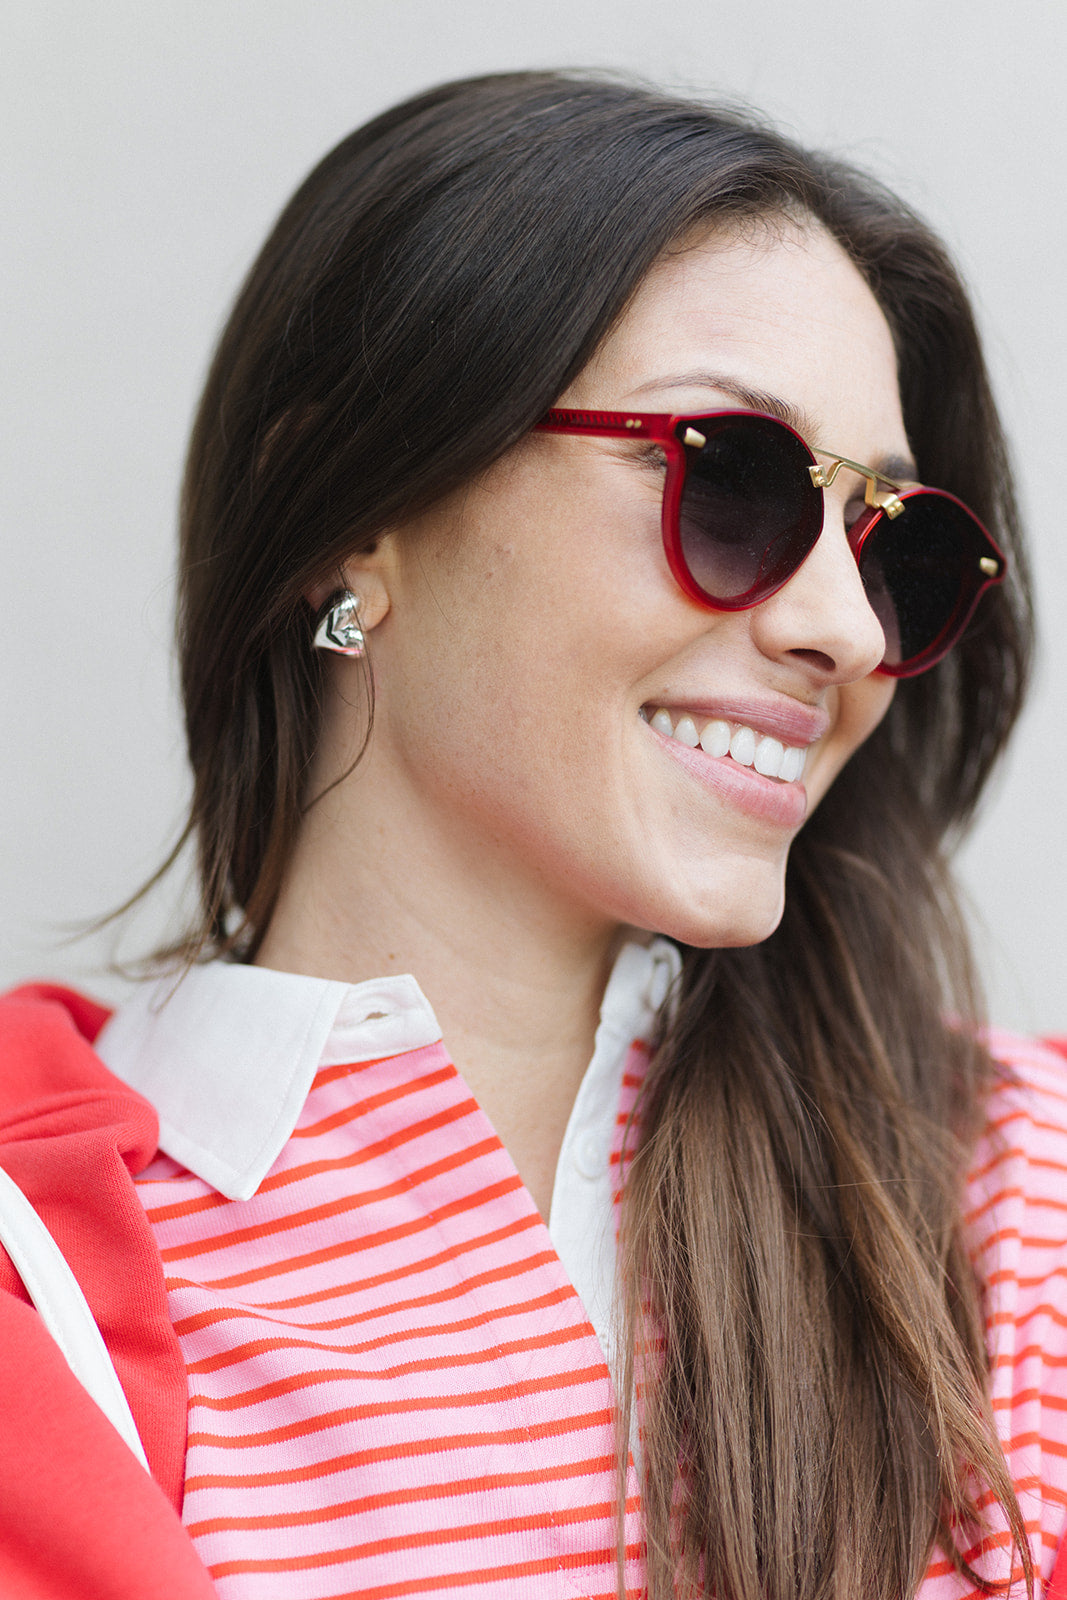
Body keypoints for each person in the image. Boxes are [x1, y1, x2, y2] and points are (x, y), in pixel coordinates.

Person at [1, 69, 1065, 1600]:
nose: (842, 626)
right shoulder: (40, 1283)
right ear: (344, 514)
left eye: (896, 543)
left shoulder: (1023, 1219)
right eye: (735, 477)